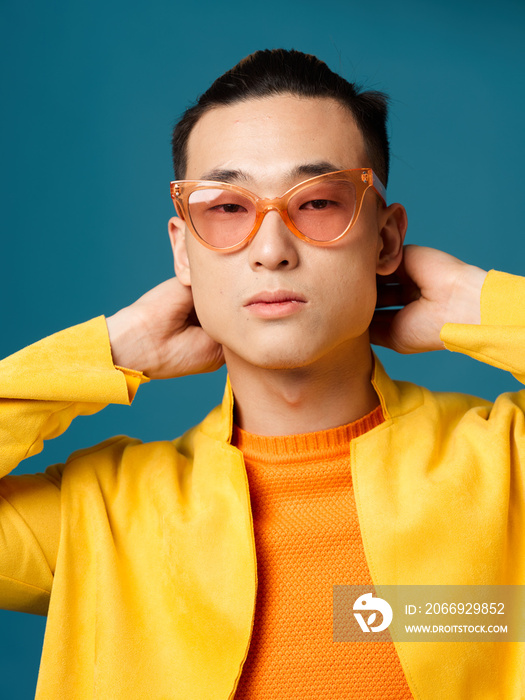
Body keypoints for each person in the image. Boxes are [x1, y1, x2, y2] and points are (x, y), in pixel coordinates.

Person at [1, 48, 524, 699]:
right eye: (226, 209)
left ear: (385, 241)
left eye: (318, 204)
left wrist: (475, 305)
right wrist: (110, 351)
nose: (271, 250)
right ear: (182, 252)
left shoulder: (506, 471)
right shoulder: (102, 516)